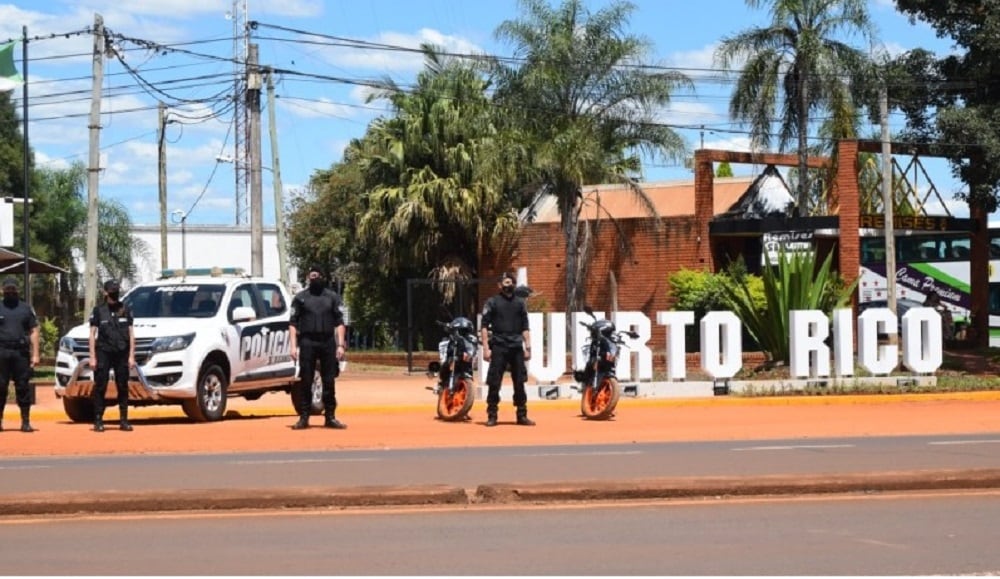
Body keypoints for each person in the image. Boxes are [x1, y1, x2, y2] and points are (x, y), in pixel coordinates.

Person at [289, 265, 347, 430]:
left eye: (316, 275)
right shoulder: (300, 298)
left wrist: (340, 345)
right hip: (307, 342)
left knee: (329, 381)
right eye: (311, 275)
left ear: (322, 276)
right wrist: (293, 346)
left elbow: (340, 322)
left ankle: (330, 417)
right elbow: (292, 323)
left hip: (328, 342)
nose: (313, 278)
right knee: (306, 380)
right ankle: (304, 418)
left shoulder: (332, 297)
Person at [480, 272, 534, 427]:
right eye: (504, 282)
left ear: (514, 284)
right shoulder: (492, 302)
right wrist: (485, 349)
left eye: (510, 281)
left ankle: (522, 415)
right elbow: (484, 326)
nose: (507, 284)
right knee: (494, 382)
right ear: (499, 285)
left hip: (516, 347)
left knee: (519, 382)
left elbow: (525, 327)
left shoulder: (519, 303)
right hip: (499, 346)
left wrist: (528, 347)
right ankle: (492, 415)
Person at [88, 280, 136, 432]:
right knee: (100, 385)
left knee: (122, 386)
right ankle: (98, 420)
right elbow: (92, 334)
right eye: (112, 290)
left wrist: (132, 356)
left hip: (122, 352)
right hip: (104, 352)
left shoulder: (125, 309)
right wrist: (92, 356)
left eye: (116, 290)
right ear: (105, 292)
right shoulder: (98, 311)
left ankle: (124, 420)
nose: (115, 292)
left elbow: (131, 333)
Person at [0, 277, 40, 433]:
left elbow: (34, 331)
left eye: (13, 289)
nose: (10, 291)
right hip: (1, 352)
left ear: (17, 290)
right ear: (3, 290)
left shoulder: (25, 309)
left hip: (20, 353)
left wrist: (35, 354)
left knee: (23, 387)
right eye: (7, 289)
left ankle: (25, 421)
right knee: (0, 387)